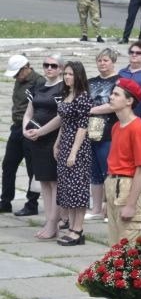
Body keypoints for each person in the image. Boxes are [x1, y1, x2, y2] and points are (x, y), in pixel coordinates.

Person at [102, 78, 141, 245]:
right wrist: (105, 199)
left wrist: (131, 204)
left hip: (128, 185)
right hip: (113, 184)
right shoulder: (117, 126)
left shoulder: (138, 128)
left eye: (116, 94)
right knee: (114, 246)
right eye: (112, 93)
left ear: (129, 101)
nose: (111, 97)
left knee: (127, 246)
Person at [22, 53, 64, 240]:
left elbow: (61, 116)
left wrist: (42, 132)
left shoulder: (63, 88)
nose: (49, 68)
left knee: (54, 181)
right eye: (46, 65)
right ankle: (49, 220)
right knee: (44, 182)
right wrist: (25, 129)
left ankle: (54, 222)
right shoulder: (38, 86)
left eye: (54, 65)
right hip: (35, 140)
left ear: (61, 68)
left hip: (52, 139)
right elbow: (29, 111)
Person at [53, 60, 92, 246]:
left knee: (78, 189)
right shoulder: (67, 94)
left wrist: (73, 152)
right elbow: (64, 121)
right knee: (68, 188)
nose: (67, 77)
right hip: (65, 142)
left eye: (71, 74)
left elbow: (82, 127)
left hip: (78, 147)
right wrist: (57, 142)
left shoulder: (83, 96)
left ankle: (78, 229)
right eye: (65, 74)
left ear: (78, 76)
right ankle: (71, 227)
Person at [2, 55, 41, 217]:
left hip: (31, 128)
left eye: (18, 73)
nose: (16, 77)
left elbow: (42, 107)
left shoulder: (39, 82)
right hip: (16, 127)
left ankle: (32, 204)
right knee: (8, 165)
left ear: (26, 67)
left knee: (32, 169)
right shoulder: (19, 80)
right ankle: (5, 201)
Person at [84, 49, 119, 220]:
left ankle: (110, 209)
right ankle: (96, 208)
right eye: (99, 60)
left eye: (105, 60)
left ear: (113, 61)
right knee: (94, 172)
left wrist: (91, 110)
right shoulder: (90, 82)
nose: (102, 63)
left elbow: (115, 104)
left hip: (109, 130)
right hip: (90, 130)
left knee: (109, 171)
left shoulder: (119, 81)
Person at [118, 42, 141, 121]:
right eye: (131, 52)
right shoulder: (122, 72)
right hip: (120, 117)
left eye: (138, 53)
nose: (134, 54)